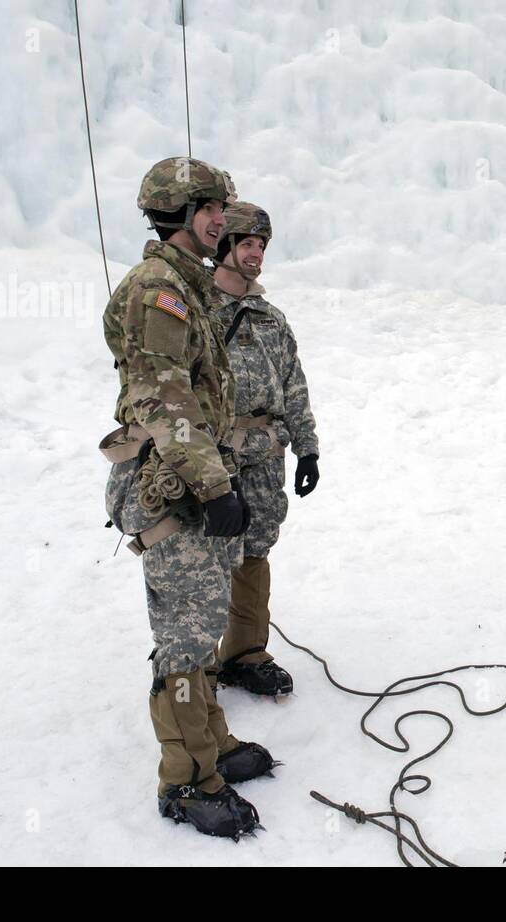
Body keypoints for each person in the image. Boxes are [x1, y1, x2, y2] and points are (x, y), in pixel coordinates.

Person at [100, 158, 272, 840]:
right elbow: (162, 396)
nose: (220, 221)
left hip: (189, 477)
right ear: (179, 211)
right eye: (209, 209)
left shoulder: (184, 284)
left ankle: (212, 745)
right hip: (172, 487)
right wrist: (213, 484)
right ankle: (185, 781)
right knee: (181, 642)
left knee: (199, 629)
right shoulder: (159, 290)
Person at [208, 201, 320, 697]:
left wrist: (308, 449)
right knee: (208, 552)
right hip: (213, 455)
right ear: (224, 246)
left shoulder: (271, 319)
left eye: (261, 245)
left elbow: (294, 386)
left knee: (256, 546)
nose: (256, 254)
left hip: (265, 454)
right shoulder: (198, 312)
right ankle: (193, 664)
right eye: (247, 243)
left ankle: (244, 652)